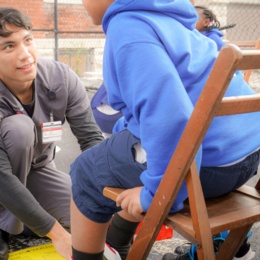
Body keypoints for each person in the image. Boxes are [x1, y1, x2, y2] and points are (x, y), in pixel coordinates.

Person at [69, 1, 260, 260]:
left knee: (86, 171)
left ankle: (100, 253)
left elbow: (171, 120)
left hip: (204, 167)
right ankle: (118, 242)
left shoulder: (128, 27)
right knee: (115, 154)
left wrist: (156, 194)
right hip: (245, 158)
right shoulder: (174, 22)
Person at [0, 7, 104, 260]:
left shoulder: (61, 78)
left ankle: (24, 218)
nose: (26, 55)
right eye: (8, 47)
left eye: (27, 40)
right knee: (19, 129)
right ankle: (6, 226)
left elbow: (91, 139)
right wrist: (57, 234)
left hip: (39, 169)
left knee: (93, 217)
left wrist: (106, 194)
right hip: (3, 175)